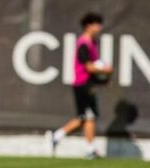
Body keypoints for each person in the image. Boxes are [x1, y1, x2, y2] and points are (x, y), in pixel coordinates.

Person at [47, 12, 112, 159]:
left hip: (87, 83)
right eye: (97, 24)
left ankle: (57, 136)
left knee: (84, 117)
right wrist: (105, 70)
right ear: (88, 26)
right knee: (89, 117)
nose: (99, 27)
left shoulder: (92, 43)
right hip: (82, 84)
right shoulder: (83, 44)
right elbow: (89, 67)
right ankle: (89, 149)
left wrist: (102, 79)